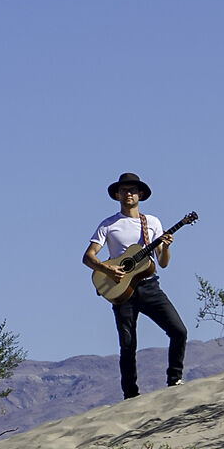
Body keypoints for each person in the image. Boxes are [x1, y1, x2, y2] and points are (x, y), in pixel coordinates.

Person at [84, 171, 188, 399]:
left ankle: (175, 379)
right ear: (117, 195)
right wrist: (106, 268)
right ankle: (131, 396)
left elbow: (162, 262)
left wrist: (167, 246)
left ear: (140, 194)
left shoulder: (152, 222)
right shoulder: (108, 225)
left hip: (150, 286)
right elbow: (88, 257)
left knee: (179, 331)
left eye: (132, 190)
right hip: (122, 290)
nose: (128, 194)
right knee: (128, 345)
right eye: (124, 190)